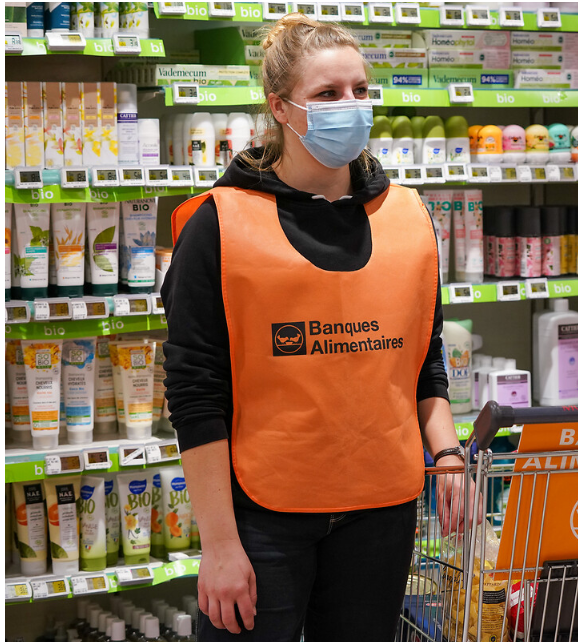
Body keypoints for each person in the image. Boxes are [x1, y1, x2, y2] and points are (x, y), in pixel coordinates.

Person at [161, 14, 470, 642]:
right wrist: (219, 545)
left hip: (381, 512)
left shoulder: (409, 218)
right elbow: (196, 396)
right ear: (280, 107)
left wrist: (446, 451)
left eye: (359, 90)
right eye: (327, 94)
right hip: (262, 519)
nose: (350, 107)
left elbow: (423, 359)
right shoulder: (218, 224)